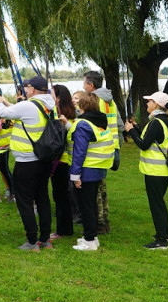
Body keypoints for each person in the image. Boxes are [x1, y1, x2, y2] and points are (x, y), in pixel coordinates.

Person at [0, 75, 56, 251]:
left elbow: (5, 113)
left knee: (25, 201)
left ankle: (31, 240)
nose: (24, 90)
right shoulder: (49, 104)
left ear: (33, 89)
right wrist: (5, 101)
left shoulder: (28, 105)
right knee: (42, 198)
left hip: (26, 161)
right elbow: (15, 110)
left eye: (26, 87)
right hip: (43, 160)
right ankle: (45, 239)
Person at [123, 91, 168, 250]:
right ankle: (167, 235)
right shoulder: (165, 121)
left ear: (156, 104)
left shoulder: (156, 122)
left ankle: (162, 240)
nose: (146, 103)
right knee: (159, 203)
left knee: (156, 204)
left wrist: (130, 130)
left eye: (149, 101)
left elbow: (143, 144)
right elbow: (152, 138)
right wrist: (136, 128)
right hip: (164, 171)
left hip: (155, 171)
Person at [65, 91, 114, 251]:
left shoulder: (83, 124)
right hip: (98, 168)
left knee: (86, 205)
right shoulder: (99, 121)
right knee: (91, 204)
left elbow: (79, 152)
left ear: (82, 105)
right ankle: (92, 236)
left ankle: (89, 240)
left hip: (86, 170)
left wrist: (75, 175)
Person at [83, 70, 122, 235]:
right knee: (101, 185)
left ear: (91, 85)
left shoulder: (95, 101)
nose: (83, 87)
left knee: (95, 187)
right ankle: (104, 220)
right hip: (111, 145)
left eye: (84, 83)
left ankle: (99, 223)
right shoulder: (110, 100)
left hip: (97, 147)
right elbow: (118, 123)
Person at [49, 84, 77, 240]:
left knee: (60, 197)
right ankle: (66, 228)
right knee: (61, 196)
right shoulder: (68, 112)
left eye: (52, 95)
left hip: (62, 161)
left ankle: (62, 230)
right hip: (62, 160)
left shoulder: (64, 116)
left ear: (58, 97)